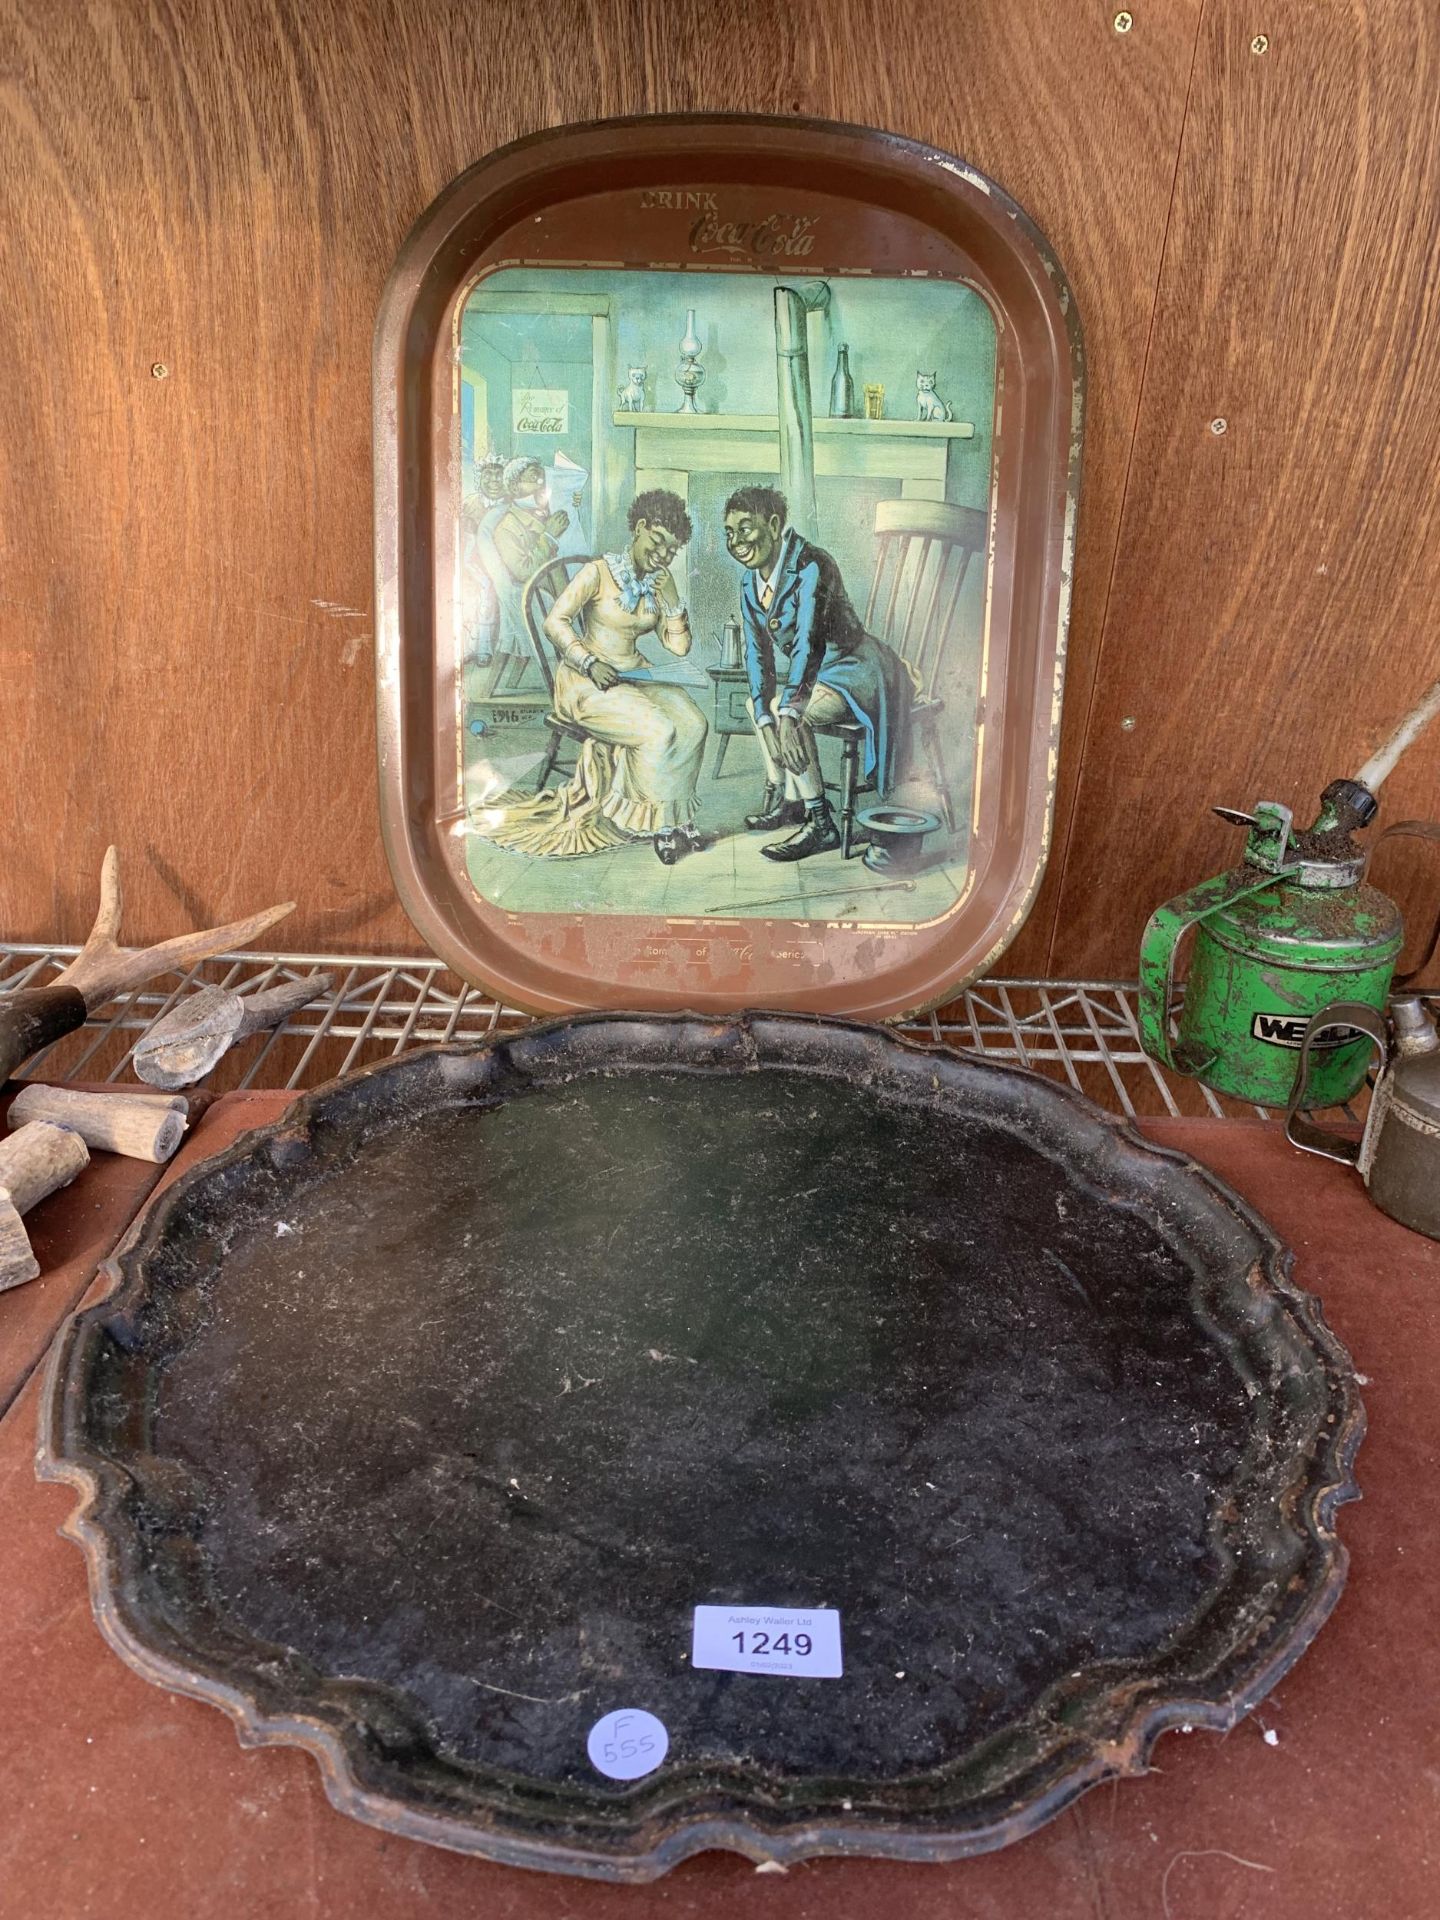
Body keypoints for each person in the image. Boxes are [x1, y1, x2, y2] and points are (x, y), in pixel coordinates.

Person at [469, 489, 709, 864]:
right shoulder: (598, 572)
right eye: (658, 543)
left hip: (633, 674)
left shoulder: (657, 585)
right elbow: (554, 621)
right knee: (659, 730)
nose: (662, 556)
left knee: (694, 722)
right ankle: (659, 825)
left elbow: (678, 649)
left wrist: (673, 600)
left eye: (671, 551)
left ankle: (680, 817)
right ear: (641, 528)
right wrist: (586, 661)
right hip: (586, 680)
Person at [723, 486, 914, 861]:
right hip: (818, 674)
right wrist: (765, 717)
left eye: (746, 528)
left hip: (857, 668)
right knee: (757, 705)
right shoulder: (749, 582)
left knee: (786, 709)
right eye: (729, 532)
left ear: (774, 524)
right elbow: (758, 657)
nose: (736, 541)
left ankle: (821, 821)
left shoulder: (812, 565)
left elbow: (809, 643)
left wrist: (790, 713)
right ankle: (790, 799)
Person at [473, 457, 570, 691]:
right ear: (515, 487)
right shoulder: (507, 525)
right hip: (530, 595)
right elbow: (523, 570)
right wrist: (548, 537)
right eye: (533, 479)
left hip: (553, 592)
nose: (540, 485)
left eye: (542, 480)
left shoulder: (537, 517)